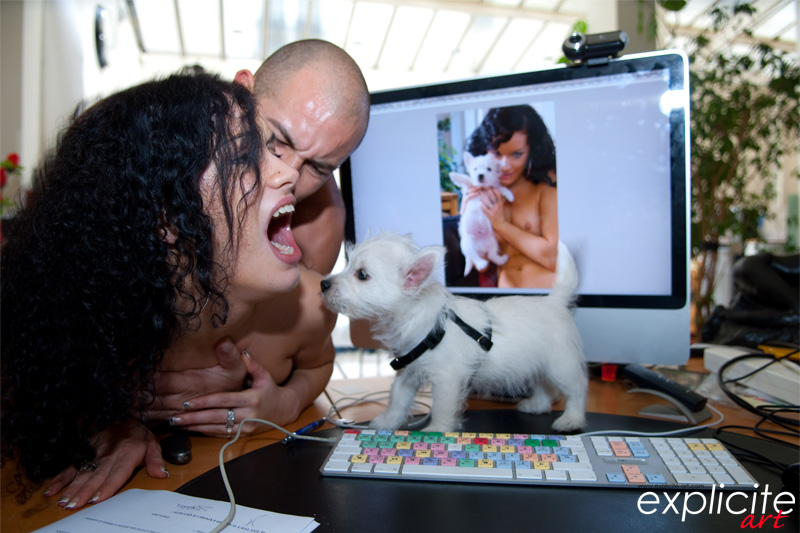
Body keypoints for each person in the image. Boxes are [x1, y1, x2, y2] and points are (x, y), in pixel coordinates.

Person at [0, 69, 317, 508]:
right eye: (243, 157)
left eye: (269, 149)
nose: (289, 171)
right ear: (165, 216)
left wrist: (288, 402)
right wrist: (106, 420)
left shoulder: (308, 305)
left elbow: (319, 362)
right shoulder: (63, 319)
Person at [465, 105, 558, 288]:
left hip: (549, 295)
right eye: (497, 154)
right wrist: (470, 214)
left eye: (517, 154)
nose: (505, 166)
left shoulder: (545, 186)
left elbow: (553, 258)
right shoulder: (477, 192)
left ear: (532, 150)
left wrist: (500, 224)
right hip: (508, 300)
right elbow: (481, 265)